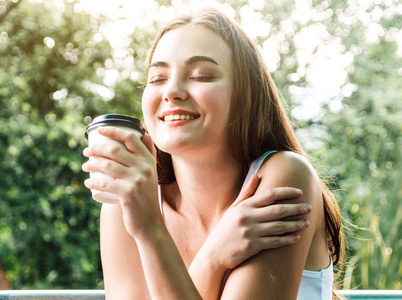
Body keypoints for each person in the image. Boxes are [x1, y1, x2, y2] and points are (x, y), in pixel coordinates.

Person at [82, 7, 344, 300]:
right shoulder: (127, 203)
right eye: (157, 78)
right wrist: (213, 258)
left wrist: (151, 231)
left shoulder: (284, 176)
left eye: (202, 76)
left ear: (245, 95)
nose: (172, 91)